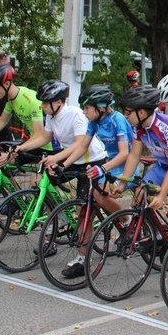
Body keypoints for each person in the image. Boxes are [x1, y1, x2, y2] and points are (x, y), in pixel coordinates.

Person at [116, 86, 168, 296]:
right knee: (139, 195)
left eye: (128, 112)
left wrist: (162, 195)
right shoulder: (139, 127)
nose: (126, 116)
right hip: (162, 165)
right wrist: (124, 183)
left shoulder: (166, 127)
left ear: (141, 112)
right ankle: (160, 237)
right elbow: (134, 155)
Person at [13, 80, 108, 261]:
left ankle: (83, 257)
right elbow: (43, 137)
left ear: (58, 102)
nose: (41, 106)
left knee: (84, 210)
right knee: (42, 183)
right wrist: (21, 147)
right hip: (73, 159)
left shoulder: (75, 115)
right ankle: (60, 221)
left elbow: (80, 144)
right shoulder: (51, 116)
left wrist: (57, 158)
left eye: (45, 102)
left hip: (91, 160)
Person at [55, 84, 134, 278]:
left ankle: (126, 219)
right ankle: (82, 259)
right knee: (85, 207)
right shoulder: (95, 122)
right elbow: (82, 146)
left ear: (100, 106)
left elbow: (125, 153)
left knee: (98, 193)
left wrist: (102, 168)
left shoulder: (118, 120)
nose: (84, 111)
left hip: (125, 164)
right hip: (109, 163)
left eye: (86, 107)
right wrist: (64, 164)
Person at [0, 63, 50, 166]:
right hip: (34, 144)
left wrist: (13, 153)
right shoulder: (11, 101)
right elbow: (1, 121)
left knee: (39, 182)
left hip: (49, 146)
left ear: (7, 84)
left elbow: (39, 134)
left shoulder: (31, 101)